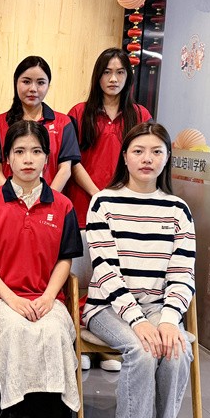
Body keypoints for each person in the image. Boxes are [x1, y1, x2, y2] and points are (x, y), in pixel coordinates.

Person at [82, 122, 196, 418]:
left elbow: (183, 273)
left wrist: (169, 321)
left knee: (177, 349)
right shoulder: (103, 202)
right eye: (139, 151)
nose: (147, 159)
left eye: (156, 152)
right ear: (125, 157)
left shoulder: (178, 209)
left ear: (167, 158)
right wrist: (138, 321)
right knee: (143, 349)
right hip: (107, 307)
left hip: (159, 307)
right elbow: (105, 270)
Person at [0, 120, 82, 418]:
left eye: (36, 151)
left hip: (46, 297)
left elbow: (65, 260)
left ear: (47, 158)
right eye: (19, 152)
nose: (28, 159)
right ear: (7, 159)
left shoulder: (63, 206)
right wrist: (12, 299)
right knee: (15, 330)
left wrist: (47, 297)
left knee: (52, 332)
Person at [66, 48, 152, 372]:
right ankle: (80, 342)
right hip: (83, 208)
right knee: (81, 278)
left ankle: (108, 347)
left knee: (115, 279)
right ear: (97, 76)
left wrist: (118, 199)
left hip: (125, 213)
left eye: (119, 72)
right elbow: (71, 161)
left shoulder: (140, 114)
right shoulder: (79, 112)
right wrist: (98, 195)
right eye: (107, 72)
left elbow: (145, 159)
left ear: (128, 76)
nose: (113, 79)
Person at [0, 56, 80, 192]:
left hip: (50, 200)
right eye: (26, 82)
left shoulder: (64, 123)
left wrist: (47, 199)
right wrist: (13, 198)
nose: (33, 89)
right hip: (8, 200)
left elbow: (65, 170)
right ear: (16, 83)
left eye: (40, 83)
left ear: (48, 86)